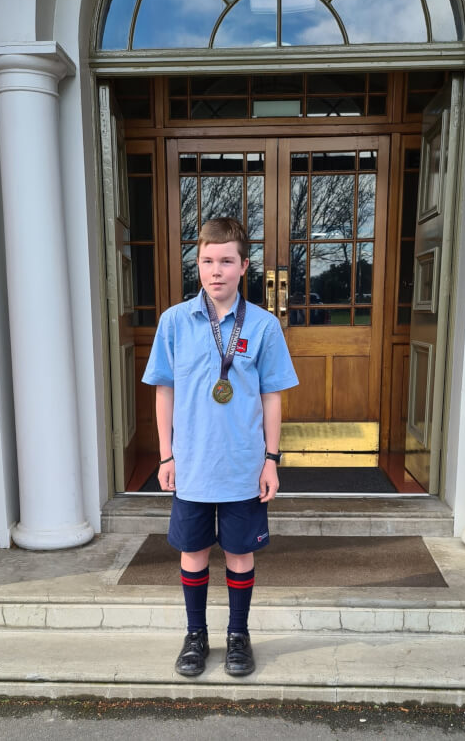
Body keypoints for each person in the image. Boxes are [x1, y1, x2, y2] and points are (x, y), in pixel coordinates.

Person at [142, 217, 298, 678]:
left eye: (226, 261)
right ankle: (195, 635)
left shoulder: (265, 326)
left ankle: (237, 634)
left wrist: (271, 459)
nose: (216, 271)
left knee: (238, 552)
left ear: (243, 266)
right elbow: (163, 391)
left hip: (243, 465)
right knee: (192, 553)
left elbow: (271, 395)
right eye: (208, 261)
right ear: (198, 264)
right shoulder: (175, 322)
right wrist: (166, 455)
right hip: (191, 464)